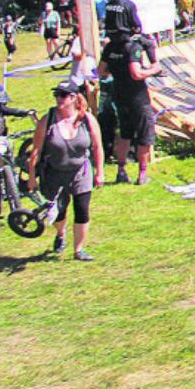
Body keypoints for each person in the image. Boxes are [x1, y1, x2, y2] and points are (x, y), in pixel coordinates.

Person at [26, 80, 104, 261]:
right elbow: (35, 150)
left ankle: (79, 249)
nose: (58, 99)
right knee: (59, 212)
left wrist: (100, 171)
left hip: (81, 171)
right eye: (56, 95)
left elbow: (97, 146)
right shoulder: (48, 120)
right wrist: (31, 177)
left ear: (73, 97)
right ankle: (61, 233)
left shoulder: (87, 119)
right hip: (55, 173)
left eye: (62, 95)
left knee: (82, 209)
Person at [103, 18, 162, 186]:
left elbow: (102, 71)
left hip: (119, 94)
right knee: (144, 132)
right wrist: (153, 70)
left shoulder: (110, 47)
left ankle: (121, 170)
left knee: (125, 132)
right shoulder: (133, 47)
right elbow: (136, 73)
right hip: (137, 96)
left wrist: (117, 69)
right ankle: (142, 174)